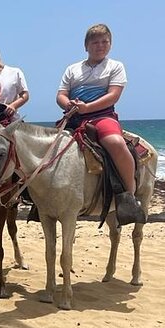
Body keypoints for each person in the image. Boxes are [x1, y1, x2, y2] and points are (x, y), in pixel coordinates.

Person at [56, 23, 146, 225]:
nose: (100, 45)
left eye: (105, 41)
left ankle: (129, 197)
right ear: (86, 45)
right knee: (44, 148)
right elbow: (61, 95)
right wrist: (68, 103)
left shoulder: (115, 66)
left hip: (101, 117)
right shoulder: (73, 69)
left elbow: (113, 95)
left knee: (116, 143)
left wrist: (87, 108)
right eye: (95, 42)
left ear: (110, 44)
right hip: (73, 117)